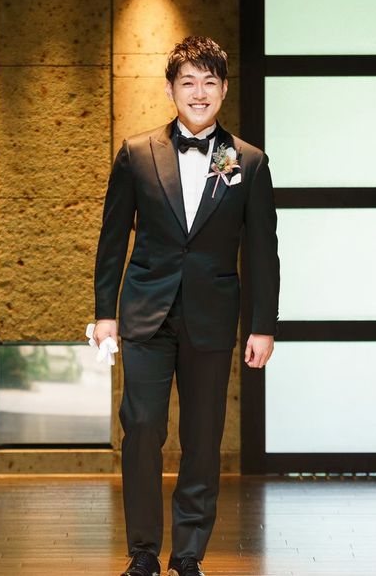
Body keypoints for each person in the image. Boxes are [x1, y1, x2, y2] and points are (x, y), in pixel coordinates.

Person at [92, 35, 280, 576]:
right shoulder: (136, 152)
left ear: (224, 89)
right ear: (170, 89)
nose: (199, 93)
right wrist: (105, 314)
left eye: (209, 82)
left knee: (202, 437)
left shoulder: (247, 160)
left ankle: (189, 554)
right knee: (142, 428)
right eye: (188, 82)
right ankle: (143, 552)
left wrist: (262, 325)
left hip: (212, 318)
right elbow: (112, 240)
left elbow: (262, 250)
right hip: (145, 315)